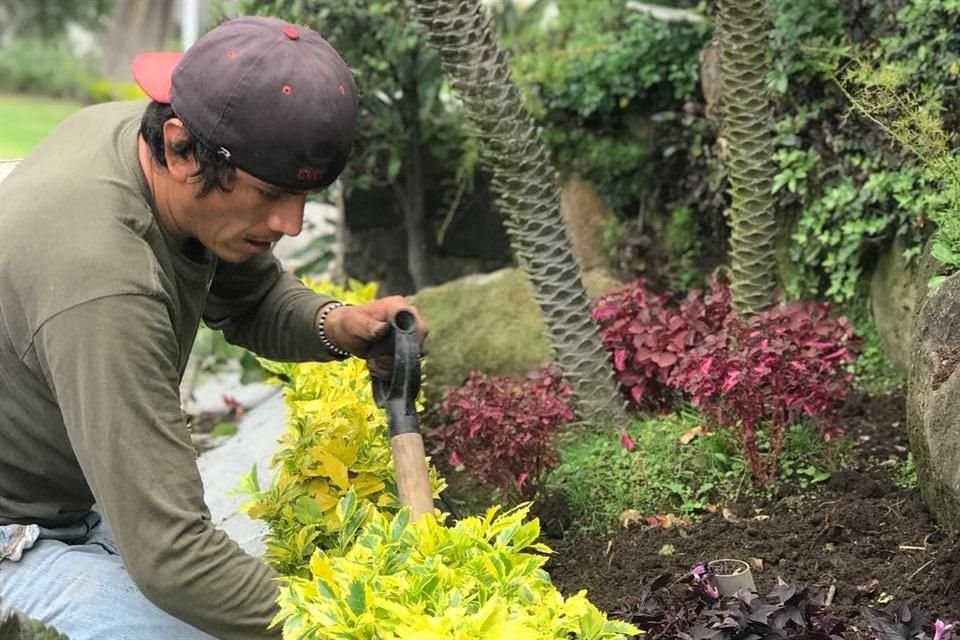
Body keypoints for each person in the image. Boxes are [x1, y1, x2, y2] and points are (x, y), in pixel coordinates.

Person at [0, 16, 426, 640]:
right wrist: (366, 628)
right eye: (270, 193)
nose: (293, 223)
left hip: (69, 492)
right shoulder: (101, 274)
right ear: (178, 147)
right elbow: (173, 556)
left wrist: (340, 324)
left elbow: (251, 296)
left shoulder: (156, 158)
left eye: (306, 197)